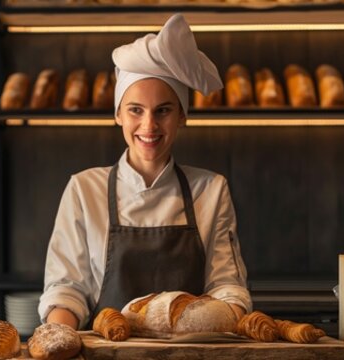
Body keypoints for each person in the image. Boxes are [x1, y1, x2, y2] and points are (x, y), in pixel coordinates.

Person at [39, 14, 251, 330]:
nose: (148, 125)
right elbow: (66, 289)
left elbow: (227, 285)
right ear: (118, 115)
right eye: (135, 110)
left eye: (163, 110)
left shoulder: (211, 189)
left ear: (182, 116)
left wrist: (229, 315)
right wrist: (58, 336)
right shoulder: (85, 189)